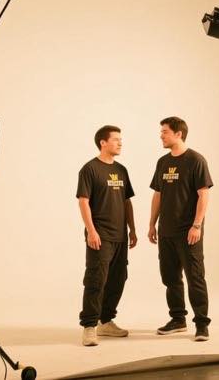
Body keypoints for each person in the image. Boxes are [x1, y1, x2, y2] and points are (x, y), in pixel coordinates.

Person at [148, 116, 213, 341]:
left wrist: (197, 225)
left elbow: (203, 195)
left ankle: (202, 324)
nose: (161, 136)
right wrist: (152, 224)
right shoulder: (162, 162)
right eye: (161, 132)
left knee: (195, 277)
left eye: (165, 132)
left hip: (188, 231)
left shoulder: (196, 160)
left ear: (178, 134)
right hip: (166, 231)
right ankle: (178, 319)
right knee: (170, 278)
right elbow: (158, 194)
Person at [76, 125, 137, 347]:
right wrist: (91, 231)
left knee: (118, 278)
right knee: (96, 279)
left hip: (120, 235)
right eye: (116, 139)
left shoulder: (121, 170)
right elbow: (83, 201)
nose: (120, 143)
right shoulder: (89, 169)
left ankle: (106, 321)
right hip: (100, 235)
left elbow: (126, 201)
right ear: (103, 142)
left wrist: (132, 229)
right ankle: (89, 326)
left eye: (121, 139)